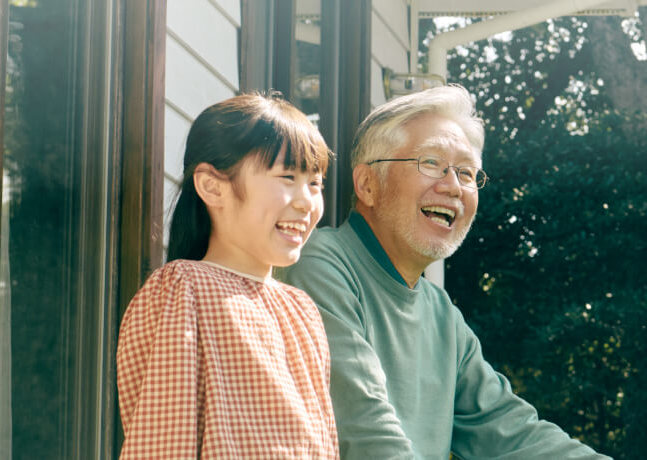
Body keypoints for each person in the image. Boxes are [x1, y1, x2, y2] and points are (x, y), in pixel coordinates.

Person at [279, 85, 610, 459]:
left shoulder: (441, 314)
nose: (453, 186)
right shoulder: (317, 264)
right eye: (431, 163)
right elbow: (364, 432)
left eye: (467, 173)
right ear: (367, 184)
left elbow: (512, 432)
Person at [116, 93, 339, 459]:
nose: (306, 201)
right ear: (212, 187)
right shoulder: (184, 288)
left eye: (315, 184)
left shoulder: (303, 310)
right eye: (287, 176)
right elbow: (164, 444)